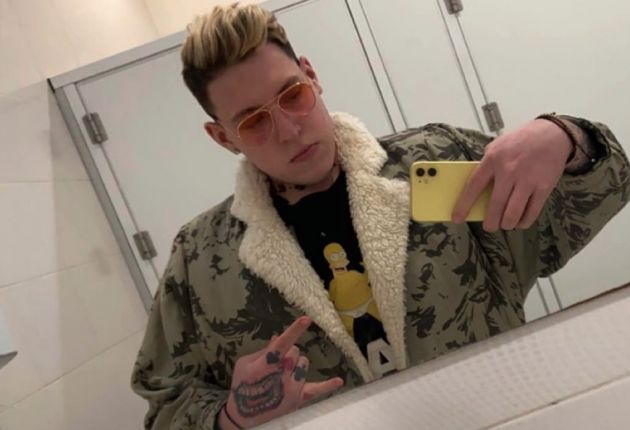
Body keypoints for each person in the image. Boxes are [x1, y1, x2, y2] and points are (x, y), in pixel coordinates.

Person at [131, 3, 630, 429]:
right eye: (254, 122)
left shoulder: (436, 157)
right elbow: (165, 404)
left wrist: (568, 138)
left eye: (293, 96)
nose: (288, 130)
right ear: (223, 137)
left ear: (312, 75)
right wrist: (231, 417)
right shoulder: (201, 259)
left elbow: (567, 221)